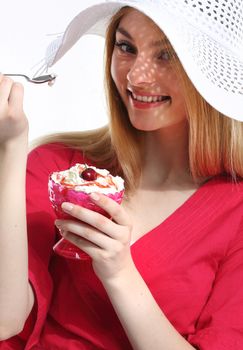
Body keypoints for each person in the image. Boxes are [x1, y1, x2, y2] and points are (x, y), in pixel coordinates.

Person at [0, 0, 243, 349]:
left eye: (167, 55)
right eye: (126, 47)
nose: (135, 76)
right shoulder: (58, 168)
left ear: (212, 72)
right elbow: (5, 320)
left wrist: (118, 271)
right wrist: (9, 150)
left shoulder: (235, 213)